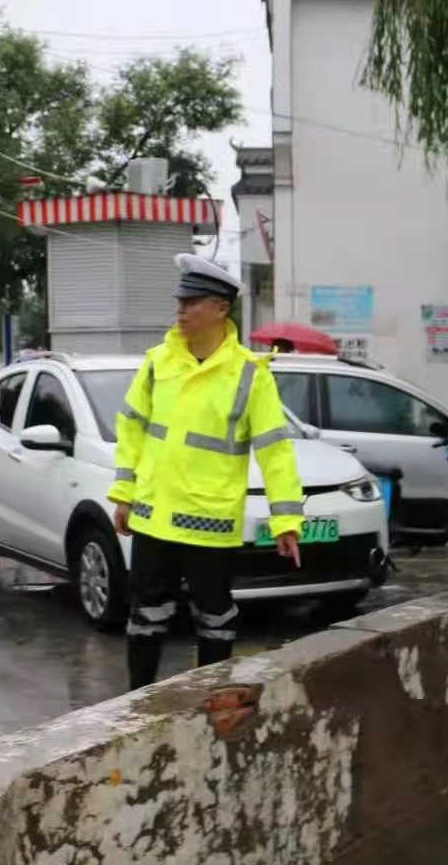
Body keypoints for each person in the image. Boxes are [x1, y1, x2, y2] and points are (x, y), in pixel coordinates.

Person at [110, 253, 304, 689]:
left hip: (209, 523)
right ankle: (135, 705)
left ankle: (211, 704)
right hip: (154, 516)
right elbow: (132, 428)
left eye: (191, 302)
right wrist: (123, 492)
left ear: (221, 308)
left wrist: (286, 520)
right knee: (145, 616)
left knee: (215, 620)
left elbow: (275, 451)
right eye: (179, 302)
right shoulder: (157, 362)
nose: (180, 310)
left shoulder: (250, 375)